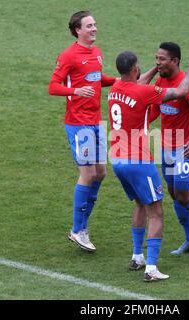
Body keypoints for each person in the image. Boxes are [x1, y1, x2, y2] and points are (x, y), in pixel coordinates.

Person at [108, 51, 189, 281]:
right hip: (139, 161)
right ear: (134, 70)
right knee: (156, 212)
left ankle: (137, 256)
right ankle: (151, 269)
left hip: (117, 160)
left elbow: (137, 83)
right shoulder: (144, 92)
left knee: (139, 204)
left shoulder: (114, 89)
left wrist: (153, 69)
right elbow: (181, 92)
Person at [48, 11, 116, 252]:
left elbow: (96, 79)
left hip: (95, 121)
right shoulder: (68, 56)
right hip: (78, 123)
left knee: (100, 173)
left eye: (95, 24)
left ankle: (82, 226)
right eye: (89, 26)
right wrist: (76, 92)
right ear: (78, 30)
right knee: (87, 174)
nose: (94, 28)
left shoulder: (96, 53)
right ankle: (78, 230)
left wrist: (118, 81)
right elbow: (53, 87)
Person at [150, 42, 189, 259]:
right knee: (173, 193)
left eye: (162, 59)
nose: (157, 62)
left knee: (184, 195)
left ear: (175, 61)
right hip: (166, 144)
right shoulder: (160, 81)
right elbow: (157, 110)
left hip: (185, 145)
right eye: (156, 58)